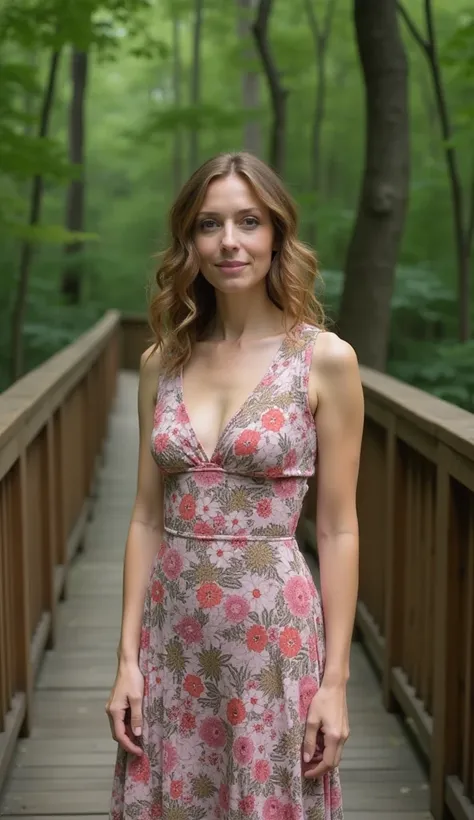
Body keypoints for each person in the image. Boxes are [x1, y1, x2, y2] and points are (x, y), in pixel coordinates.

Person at [106, 151, 363, 820]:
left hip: (271, 639)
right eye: (208, 224)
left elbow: (338, 529)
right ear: (188, 241)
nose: (228, 242)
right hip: (171, 636)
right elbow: (144, 518)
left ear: (276, 232)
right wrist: (126, 660)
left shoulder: (325, 360)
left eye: (248, 221)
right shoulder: (162, 360)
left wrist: (335, 681)